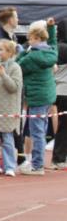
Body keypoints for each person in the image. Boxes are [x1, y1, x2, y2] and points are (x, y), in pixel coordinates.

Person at [17, 18, 58, 175]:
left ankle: (37, 165)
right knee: (41, 129)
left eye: (31, 38)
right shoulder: (50, 51)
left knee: (37, 132)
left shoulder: (32, 57)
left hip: (36, 97)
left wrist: (21, 52)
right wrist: (51, 27)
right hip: (47, 95)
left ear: (37, 39)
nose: (29, 41)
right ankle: (36, 163)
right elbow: (53, 42)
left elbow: (18, 65)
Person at [0, 39, 23, 177]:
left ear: (9, 52)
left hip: (7, 110)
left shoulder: (15, 67)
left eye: (1, 49)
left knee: (7, 138)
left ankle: (9, 166)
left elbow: (14, 87)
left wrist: (3, 75)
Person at [52, 34, 67, 170]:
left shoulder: (54, 47)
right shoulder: (65, 48)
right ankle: (58, 158)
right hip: (64, 90)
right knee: (64, 126)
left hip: (52, 89)